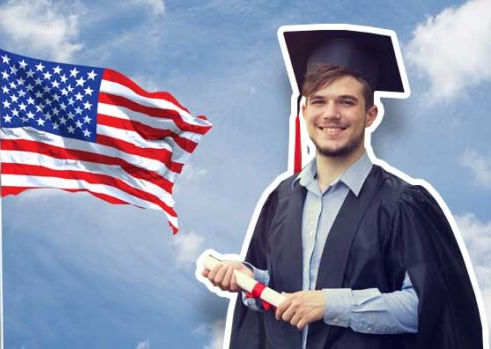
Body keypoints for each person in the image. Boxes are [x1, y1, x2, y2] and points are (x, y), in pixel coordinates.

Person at [202, 26, 482, 349]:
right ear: (305, 111)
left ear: (371, 115)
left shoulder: (403, 203)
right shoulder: (281, 200)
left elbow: (430, 306)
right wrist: (250, 279)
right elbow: (283, 302)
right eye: (319, 101)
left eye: (346, 102)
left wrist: (332, 304)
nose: (331, 114)